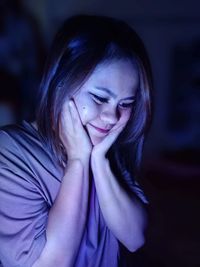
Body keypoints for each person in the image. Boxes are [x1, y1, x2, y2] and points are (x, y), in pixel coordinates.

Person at [0, 14, 152, 267]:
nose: (112, 117)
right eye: (100, 98)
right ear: (61, 83)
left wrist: (99, 161)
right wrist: (78, 161)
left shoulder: (108, 154)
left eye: (125, 104)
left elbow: (135, 237)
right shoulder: (10, 153)